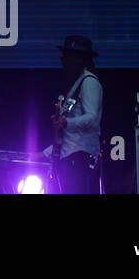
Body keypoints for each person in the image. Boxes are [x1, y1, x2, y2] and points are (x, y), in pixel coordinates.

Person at [45, 35, 103, 194]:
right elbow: (68, 136)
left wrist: (65, 123)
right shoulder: (76, 85)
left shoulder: (89, 82)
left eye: (67, 55)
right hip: (69, 158)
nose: (61, 58)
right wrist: (45, 153)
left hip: (80, 158)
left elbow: (92, 117)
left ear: (78, 59)